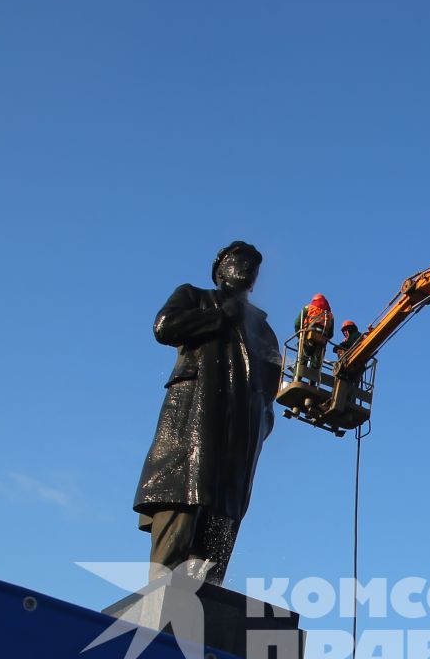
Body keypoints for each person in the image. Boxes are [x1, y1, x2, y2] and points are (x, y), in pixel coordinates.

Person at [134, 241, 280, 585]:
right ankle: (164, 589)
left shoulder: (262, 328)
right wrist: (219, 316)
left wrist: (261, 421)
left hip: (240, 432)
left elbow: (270, 384)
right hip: (195, 416)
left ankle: (206, 590)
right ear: (220, 269)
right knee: (183, 498)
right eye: (239, 260)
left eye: (253, 266)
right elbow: (165, 328)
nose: (247, 268)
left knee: (223, 514)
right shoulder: (194, 296)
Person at [295, 293, 333, 385]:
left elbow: (297, 323)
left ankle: (297, 379)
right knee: (316, 363)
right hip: (321, 341)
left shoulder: (307, 308)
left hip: (307, 337)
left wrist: (299, 335)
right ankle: (312, 384)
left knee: (302, 358)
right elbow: (331, 333)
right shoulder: (330, 315)